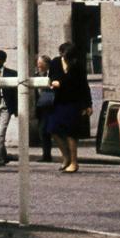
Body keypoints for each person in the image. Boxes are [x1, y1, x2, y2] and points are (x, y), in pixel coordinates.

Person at [47, 41, 92, 173]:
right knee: (53, 129)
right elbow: (52, 77)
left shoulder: (77, 65)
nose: (65, 57)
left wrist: (88, 104)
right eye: (64, 54)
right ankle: (66, 157)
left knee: (71, 132)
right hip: (58, 101)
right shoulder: (55, 62)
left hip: (73, 102)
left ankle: (74, 162)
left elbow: (83, 85)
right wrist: (56, 82)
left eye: (68, 55)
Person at [0, 48, 18, 165]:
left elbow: (15, 93)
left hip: (5, 104)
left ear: (3, 60)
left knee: (2, 131)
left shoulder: (12, 73)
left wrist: (16, 108)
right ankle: (4, 155)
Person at [35, 54, 56, 162]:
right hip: (42, 106)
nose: (38, 66)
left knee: (52, 130)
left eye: (40, 64)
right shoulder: (38, 74)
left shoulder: (53, 74)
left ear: (46, 64)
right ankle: (46, 154)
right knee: (43, 130)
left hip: (52, 105)